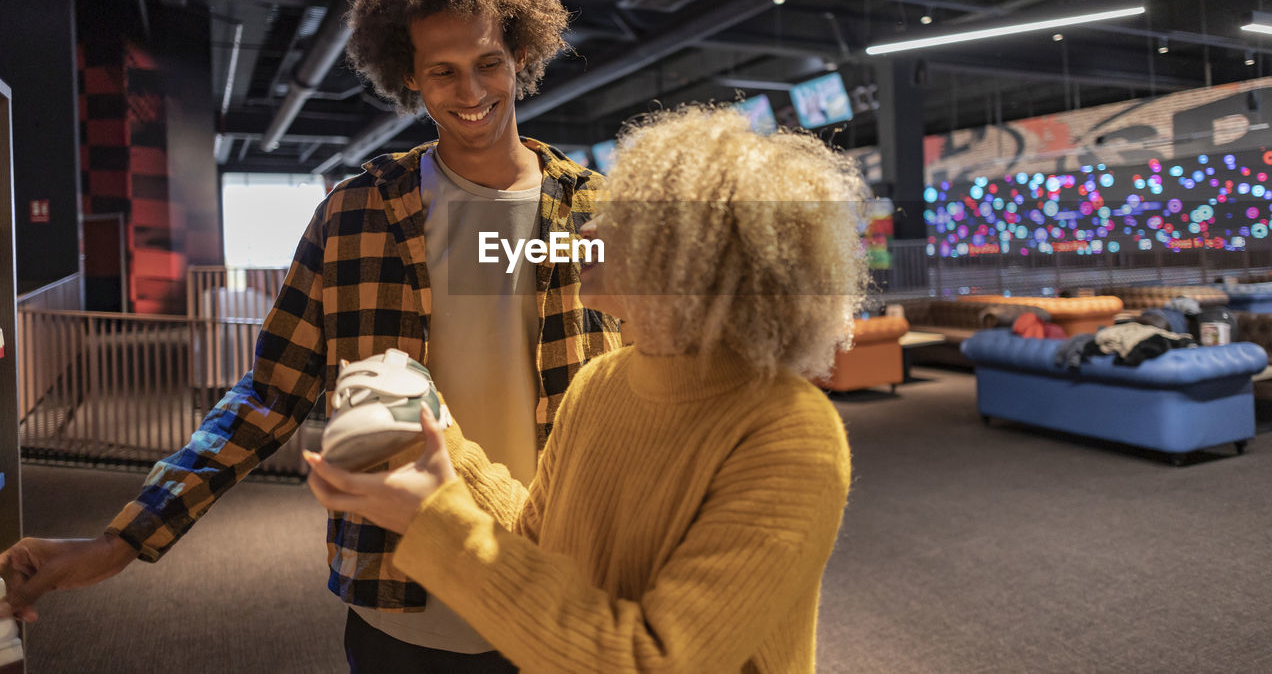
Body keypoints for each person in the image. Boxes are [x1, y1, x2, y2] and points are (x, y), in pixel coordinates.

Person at [0, 0, 619, 672]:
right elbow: (267, 395)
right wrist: (120, 539)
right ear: (408, 76)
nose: (471, 91)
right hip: (404, 594)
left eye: (488, 62)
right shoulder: (357, 214)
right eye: (442, 71)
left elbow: (657, 395)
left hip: (561, 589)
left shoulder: (596, 212)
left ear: (521, 53)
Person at [305, 106, 869, 672]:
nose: (589, 230)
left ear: (698, 262)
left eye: (627, 219)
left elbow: (650, 660)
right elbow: (539, 541)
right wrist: (438, 437)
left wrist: (434, 519)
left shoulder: (791, 435)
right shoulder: (602, 382)